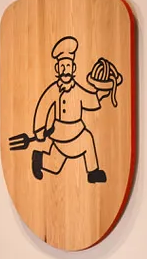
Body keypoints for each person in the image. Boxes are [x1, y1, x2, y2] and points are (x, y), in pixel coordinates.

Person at [10, 34, 117, 184]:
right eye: (62, 67)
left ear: (73, 68)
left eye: (68, 66)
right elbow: (43, 107)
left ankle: (92, 172)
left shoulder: (78, 90)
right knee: (56, 165)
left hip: (77, 130)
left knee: (86, 141)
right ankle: (39, 159)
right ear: (57, 68)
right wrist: (39, 129)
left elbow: (90, 99)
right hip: (60, 132)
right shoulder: (53, 90)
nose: (65, 70)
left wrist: (102, 92)